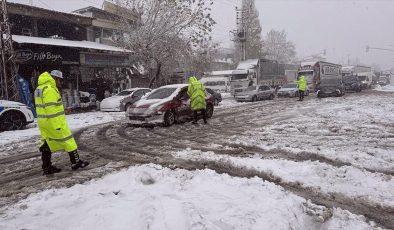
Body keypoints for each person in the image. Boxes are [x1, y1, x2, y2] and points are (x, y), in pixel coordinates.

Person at [34, 70, 89, 175]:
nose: (60, 83)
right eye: (60, 80)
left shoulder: (39, 89)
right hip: (53, 121)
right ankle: (76, 163)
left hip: (43, 121)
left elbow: (46, 107)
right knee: (69, 140)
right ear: (55, 79)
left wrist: (62, 111)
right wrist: (57, 125)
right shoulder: (50, 89)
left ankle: (47, 167)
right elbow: (51, 109)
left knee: (47, 143)